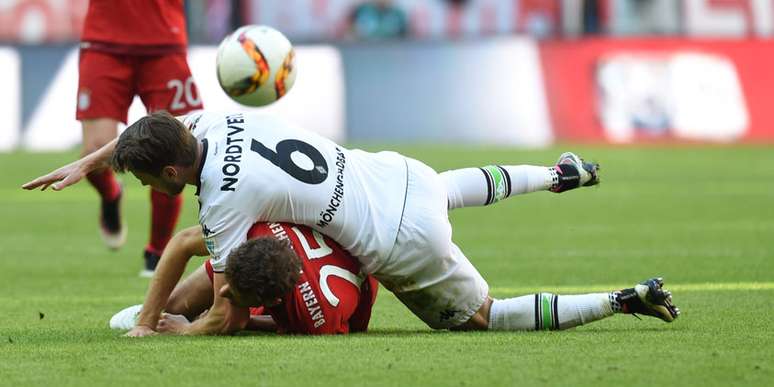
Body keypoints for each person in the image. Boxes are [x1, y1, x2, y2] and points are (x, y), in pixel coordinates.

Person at [23, 110, 680, 334]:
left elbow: (224, 309)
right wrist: (92, 161)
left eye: (144, 180)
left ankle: (623, 298)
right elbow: (157, 131)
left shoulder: (222, 202)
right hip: (395, 173)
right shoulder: (213, 120)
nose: (147, 188)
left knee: (487, 316)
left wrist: (164, 330)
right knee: (471, 183)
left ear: (170, 175)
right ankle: (562, 173)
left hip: (396, 241)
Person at [76, 0, 203, 276]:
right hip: (104, 39)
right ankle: (111, 194)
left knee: (175, 150)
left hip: (163, 38)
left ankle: (157, 251)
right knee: (94, 150)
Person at [111, 222, 378, 335]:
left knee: (226, 319)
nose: (222, 292)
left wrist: (186, 329)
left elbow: (279, 323)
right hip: (288, 258)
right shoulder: (257, 230)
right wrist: (149, 315)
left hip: (333, 290)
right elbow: (182, 242)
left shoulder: (316, 319)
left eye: (233, 295)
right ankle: (152, 312)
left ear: (273, 301)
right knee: (170, 310)